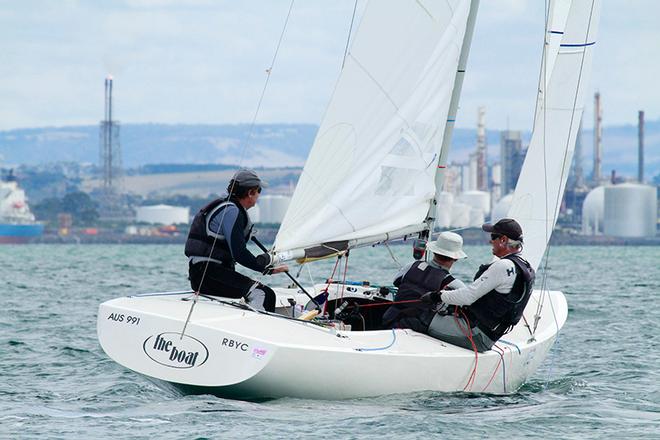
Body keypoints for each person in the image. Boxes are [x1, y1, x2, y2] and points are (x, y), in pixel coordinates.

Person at [423, 218, 535, 352]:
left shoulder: (503, 266)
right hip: (489, 334)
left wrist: (436, 296)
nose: (490, 241)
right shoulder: (524, 266)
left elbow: (468, 296)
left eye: (493, 237)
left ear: (503, 240)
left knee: (419, 317)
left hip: (476, 335)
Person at [185, 169, 288, 312]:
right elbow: (239, 253)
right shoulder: (231, 211)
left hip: (204, 274)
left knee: (258, 292)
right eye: (259, 191)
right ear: (251, 192)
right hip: (208, 274)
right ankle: (260, 332)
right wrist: (265, 267)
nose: (258, 195)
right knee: (264, 294)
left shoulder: (227, 208)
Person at [382, 232, 467, 332]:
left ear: (434, 251)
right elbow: (467, 299)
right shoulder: (453, 283)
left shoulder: (412, 265)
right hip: (415, 327)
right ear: (456, 258)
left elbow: (396, 282)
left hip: (389, 318)